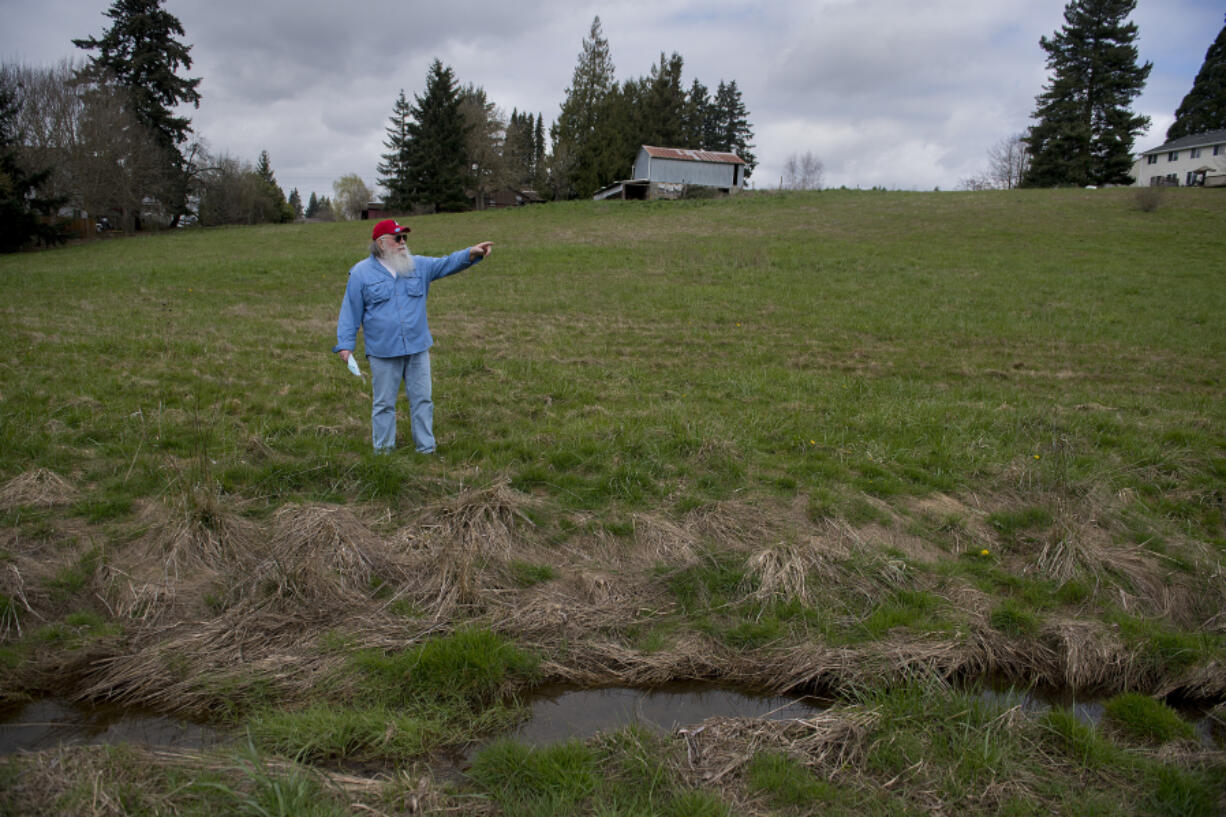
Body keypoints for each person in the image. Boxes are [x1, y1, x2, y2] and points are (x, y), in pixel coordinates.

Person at [334, 218, 493, 453]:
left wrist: (471, 253)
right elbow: (350, 310)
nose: (402, 243)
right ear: (381, 243)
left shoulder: (418, 265)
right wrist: (345, 345)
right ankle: (384, 453)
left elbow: (446, 263)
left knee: (422, 400)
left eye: (404, 238)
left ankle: (426, 449)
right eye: (397, 238)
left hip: (418, 348)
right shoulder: (360, 274)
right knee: (384, 404)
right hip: (383, 352)